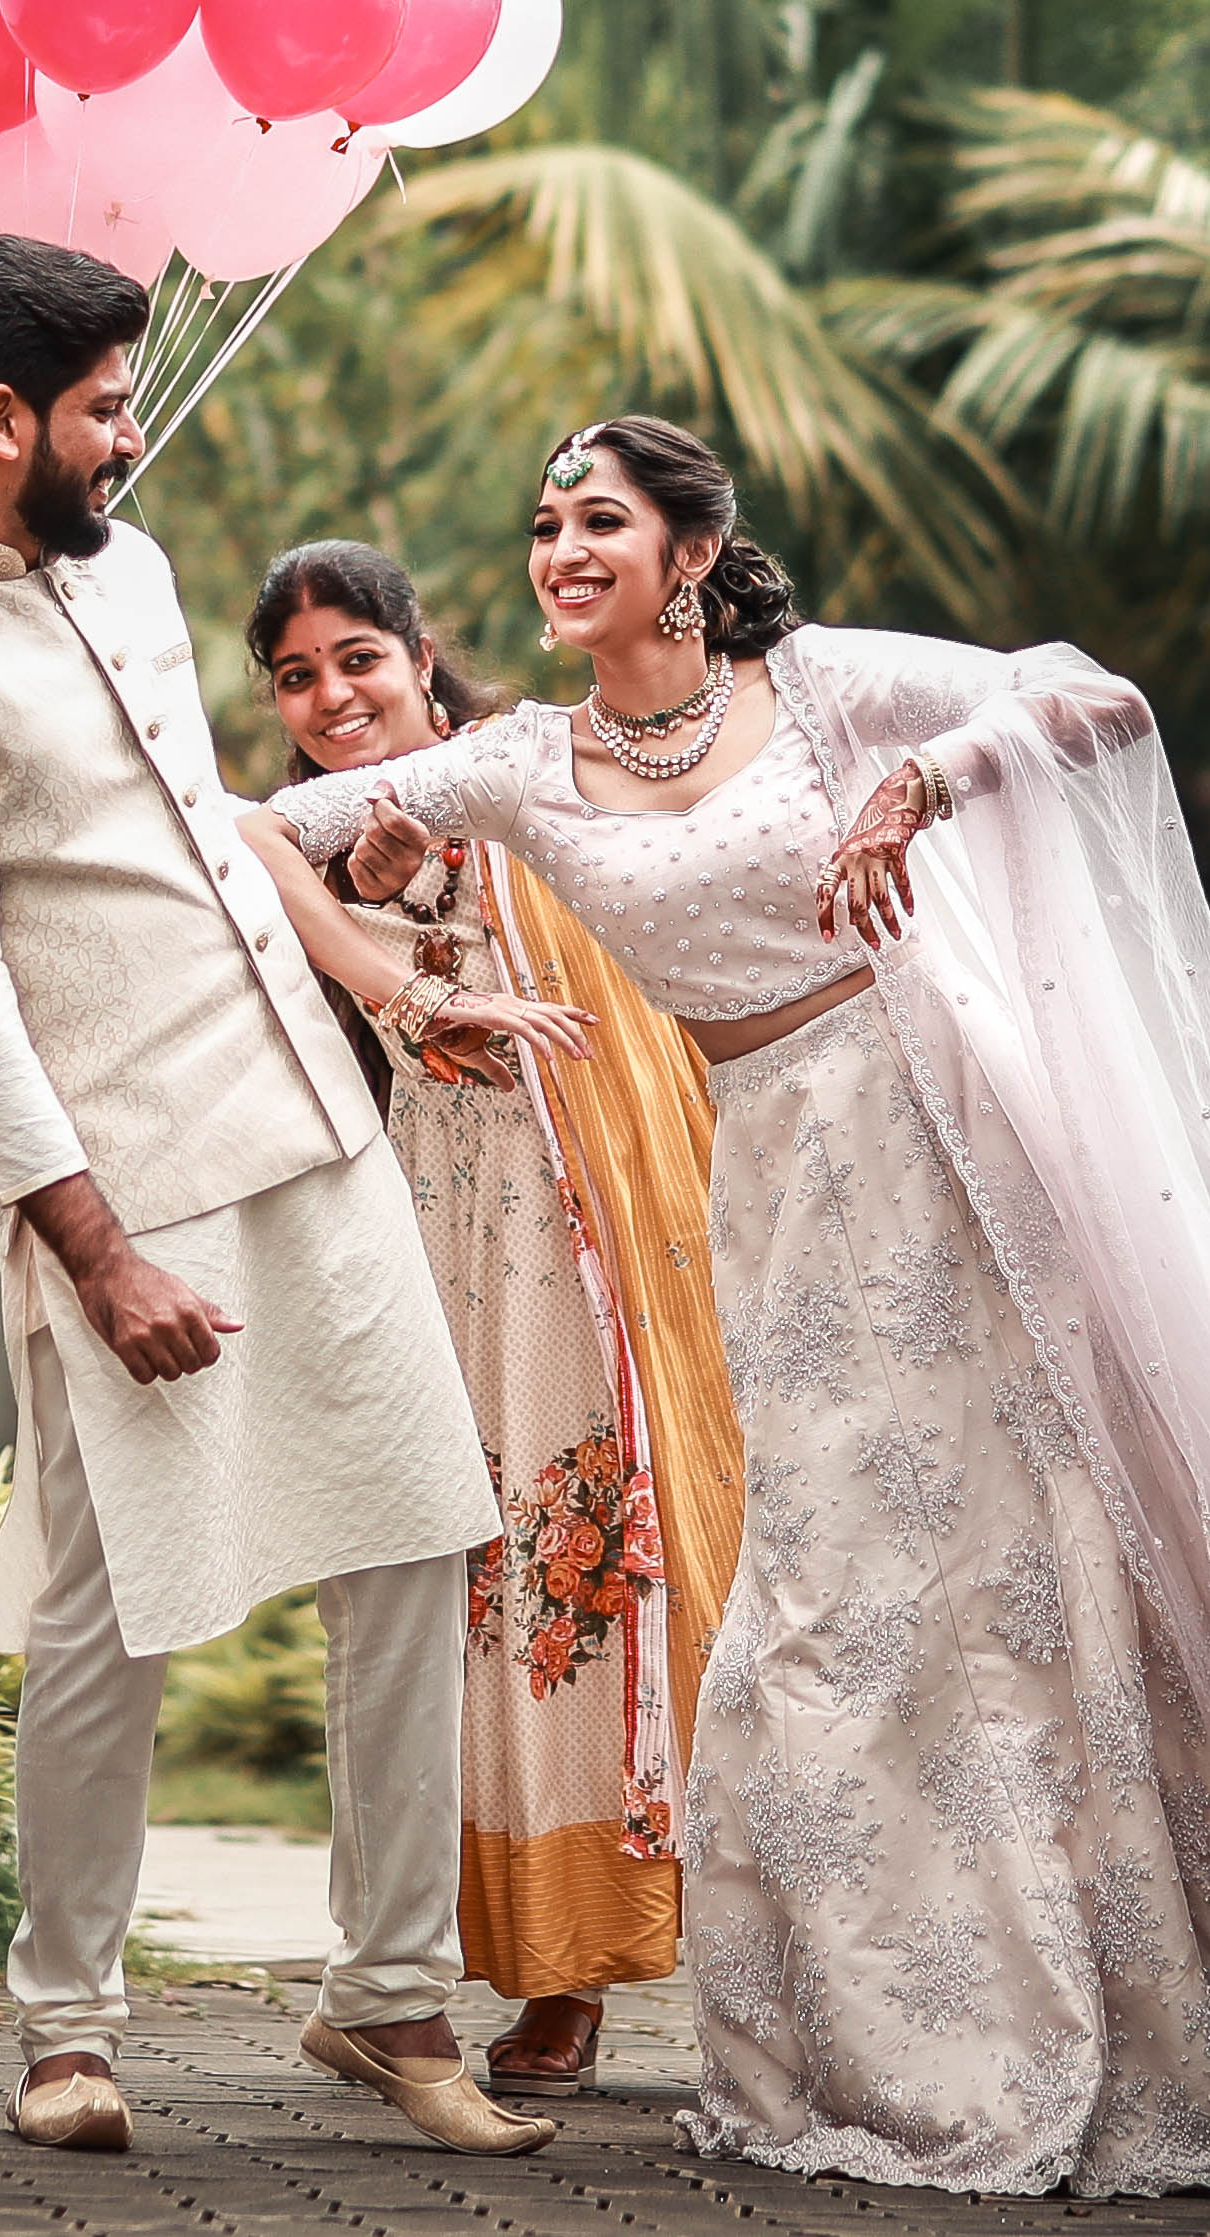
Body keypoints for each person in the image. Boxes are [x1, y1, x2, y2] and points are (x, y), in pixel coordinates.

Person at [272, 416, 1210, 2199]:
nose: (562, 548)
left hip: (936, 1136)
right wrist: (394, 979)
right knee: (823, 1596)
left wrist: (915, 787)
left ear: (691, 553)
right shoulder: (516, 762)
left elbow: (1095, 699)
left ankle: (1097, 2019)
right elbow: (250, 822)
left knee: (1005, 1573)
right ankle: (876, 2035)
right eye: (546, 521)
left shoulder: (823, 684)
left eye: (601, 519)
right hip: (777, 1180)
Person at [0, 236, 534, 2161]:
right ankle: (65, 2030)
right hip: (125, 1182)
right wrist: (92, 1247)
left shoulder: (130, 566)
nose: (132, 437)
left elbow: (200, 825)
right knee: (106, 1613)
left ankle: (385, 1999)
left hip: (310, 1118)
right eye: (108, 406)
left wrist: (378, 967)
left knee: (412, 1536)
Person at [235, 540, 747, 2100]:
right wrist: (372, 907)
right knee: (433, 1592)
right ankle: (411, 1961)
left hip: (575, 1237)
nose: (332, 698)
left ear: (417, 650)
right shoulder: (310, 847)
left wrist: (435, 881)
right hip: (423, 1236)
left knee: (568, 1568)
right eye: (296, 677)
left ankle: (568, 1971)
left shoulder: (518, 768)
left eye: (356, 660)